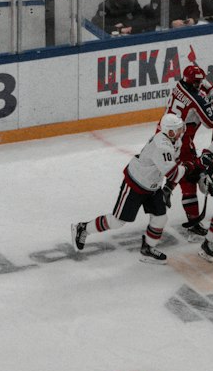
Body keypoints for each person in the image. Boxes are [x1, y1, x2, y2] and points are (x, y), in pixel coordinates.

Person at [73, 111, 184, 263]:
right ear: (170, 131)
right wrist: (192, 167)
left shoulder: (176, 141)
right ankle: (83, 228)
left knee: (160, 217)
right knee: (117, 222)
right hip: (136, 183)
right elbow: (173, 172)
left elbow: (175, 165)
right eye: (178, 129)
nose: (181, 131)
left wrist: (169, 187)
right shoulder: (162, 145)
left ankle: (148, 249)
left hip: (152, 186)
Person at [164, 61, 213, 235]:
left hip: (167, 133)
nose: (199, 85)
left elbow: (200, 84)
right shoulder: (196, 98)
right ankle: (169, 188)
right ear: (191, 82)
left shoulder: (180, 85)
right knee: (189, 178)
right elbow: (212, 122)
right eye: (197, 83)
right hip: (179, 142)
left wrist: (209, 89)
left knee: (189, 175)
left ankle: (172, 187)